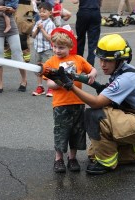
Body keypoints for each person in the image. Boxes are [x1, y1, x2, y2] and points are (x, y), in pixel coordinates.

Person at [50, 34, 135, 175]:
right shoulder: (120, 71)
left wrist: (71, 86)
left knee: (94, 115)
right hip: (131, 118)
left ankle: (106, 163)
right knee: (93, 154)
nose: (102, 64)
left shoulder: (126, 78)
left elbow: (97, 103)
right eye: (101, 59)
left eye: (107, 61)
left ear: (119, 60)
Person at [42, 27, 97, 173]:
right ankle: (58, 159)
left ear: (70, 47)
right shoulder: (50, 63)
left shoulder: (78, 59)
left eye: (61, 47)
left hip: (78, 102)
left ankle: (72, 158)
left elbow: (92, 69)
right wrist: (60, 82)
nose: (57, 50)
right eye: (55, 47)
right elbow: (49, 84)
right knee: (61, 131)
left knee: (77, 132)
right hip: (61, 104)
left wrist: (92, 75)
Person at [31, 2, 56, 96]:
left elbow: (50, 38)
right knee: (38, 69)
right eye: (40, 12)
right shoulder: (38, 22)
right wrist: (37, 28)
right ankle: (40, 87)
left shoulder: (50, 24)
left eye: (44, 12)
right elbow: (33, 35)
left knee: (48, 69)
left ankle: (51, 87)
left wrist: (42, 29)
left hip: (47, 50)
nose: (41, 14)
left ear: (50, 12)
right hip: (38, 49)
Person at [70, 0, 102, 66]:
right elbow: (100, 2)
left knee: (80, 39)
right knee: (93, 42)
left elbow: (74, 1)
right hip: (95, 11)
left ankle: (79, 63)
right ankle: (90, 65)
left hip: (83, 11)